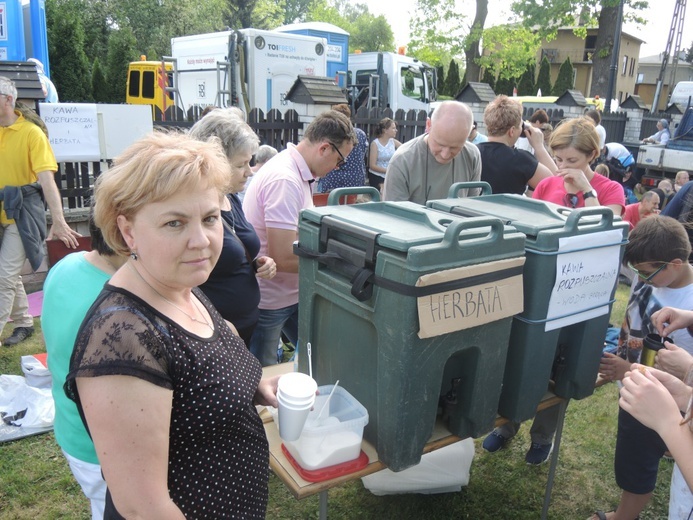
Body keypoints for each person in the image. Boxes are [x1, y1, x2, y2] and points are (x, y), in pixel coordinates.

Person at [65, 131, 280, 519]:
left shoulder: (181, 284)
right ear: (128, 231)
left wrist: (255, 386)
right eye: (174, 223)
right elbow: (143, 507)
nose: (201, 240)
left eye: (210, 218)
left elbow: (203, 373)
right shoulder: (125, 340)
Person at [483, 117, 625, 465]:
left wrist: (586, 193)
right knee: (523, 356)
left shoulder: (610, 191)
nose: (562, 168)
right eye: (559, 160)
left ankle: (542, 436)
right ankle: (509, 424)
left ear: (592, 155)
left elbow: (609, 235)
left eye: (572, 161)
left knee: (560, 366)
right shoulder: (547, 185)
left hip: (580, 295)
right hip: (541, 288)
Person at [592, 216, 693, 520]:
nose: (639, 278)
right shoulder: (649, 274)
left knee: (637, 462)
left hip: (662, 400)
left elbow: (679, 374)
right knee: (635, 452)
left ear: (675, 264)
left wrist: (626, 371)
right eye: (635, 272)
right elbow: (631, 323)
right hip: (635, 384)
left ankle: (624, 516)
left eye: (646, 272)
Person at [243, 110, 356, 366]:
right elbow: (281, 258)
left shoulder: (299, 171)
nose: (337, 168)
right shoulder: (286, 179)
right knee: (264, 373)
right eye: (340, 161)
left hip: (291, 292)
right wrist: (334, 265)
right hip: (271, 299)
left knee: (316, 355)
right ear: (325, 148)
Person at [42, 215, 126, 520]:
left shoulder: (69, 263)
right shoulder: (118, 305)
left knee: (101, 506)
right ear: (126, 234)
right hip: (103, 450)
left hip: (72, 429)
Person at [0, 76, 80, 347]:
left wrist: (58, 221)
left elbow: (47, 180)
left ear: (8, 100)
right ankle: (23, 322)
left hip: (22, 216)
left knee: (3, 278)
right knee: (7, 275)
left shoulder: (32, 134)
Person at [189, 107, 277, 347]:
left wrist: (258, 262)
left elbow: (230, 252)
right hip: (212, 336)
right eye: (241, 165)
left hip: (242, 329)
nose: (249, 172)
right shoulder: (192, 209)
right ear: (214, 163)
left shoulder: (230, 197)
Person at [383, 100, 481, 204]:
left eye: (454, 148)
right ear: (428, 125)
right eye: (440, 144)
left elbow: (472, 205)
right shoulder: (402, 161)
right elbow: (394, 216)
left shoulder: (472, 155)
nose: (445, 155)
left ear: (469, 133)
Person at [477, 95, 555, 195]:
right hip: (507, 210)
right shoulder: (521, 160)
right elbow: (555, 185)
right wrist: (539, 147)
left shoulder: (473, 152)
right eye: (520, 126)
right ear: (512, 131)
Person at [318, 104, 368, 193]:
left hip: (333, 178)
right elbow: (363, 154)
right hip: (355, 178)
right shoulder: (361, 134)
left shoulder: (331, 134)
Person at [368, 117, 401, 191]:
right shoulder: (375, 144)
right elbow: (372, 165)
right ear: (385, 130)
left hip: (390, 175)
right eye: (393, 128)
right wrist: (388, 170)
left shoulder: (393, 141)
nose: (396, 130)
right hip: (377, 176)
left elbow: (406, 149)